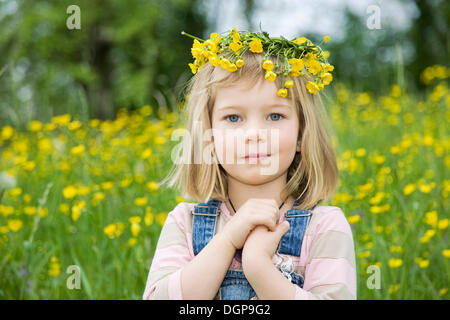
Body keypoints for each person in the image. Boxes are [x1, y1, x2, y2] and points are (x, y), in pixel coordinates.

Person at [143, 27, 356, 300]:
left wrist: (258, 267)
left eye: (275, 116)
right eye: (233, 118)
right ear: (208, 135)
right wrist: (229, 239)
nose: (254, 134)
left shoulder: (324, 227)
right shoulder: (185, 223)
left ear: (302, 134)